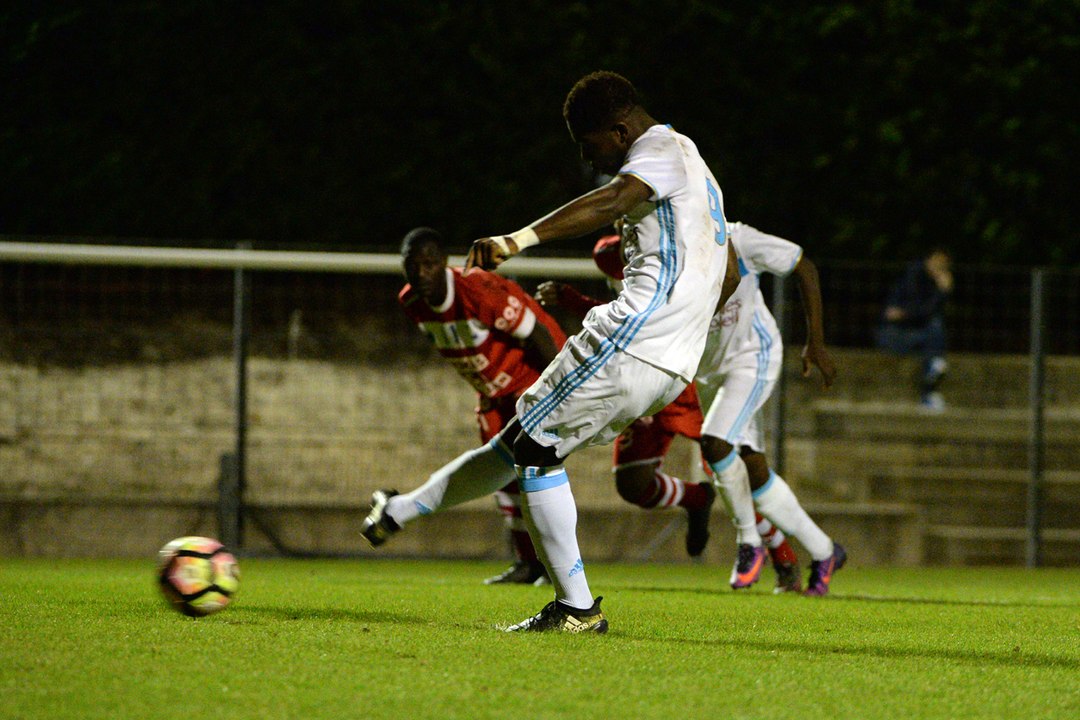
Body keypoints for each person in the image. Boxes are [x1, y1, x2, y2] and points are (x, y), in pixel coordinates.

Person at [365, 71, 730, 633]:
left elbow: (613, 199)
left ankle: (576, 609)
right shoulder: (699, 172)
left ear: (620, 127)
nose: (591, 158)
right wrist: (687, 324)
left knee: (534, 449)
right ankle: (402, 510)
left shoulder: (659, 149)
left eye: (591, 145)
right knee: (516, 447)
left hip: (632, 340)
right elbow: (725, 272)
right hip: (671, 362)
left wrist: (517, 240)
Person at [535, 235, 804, 593]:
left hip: (683, 378)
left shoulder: (683, 240)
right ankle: (696, 499)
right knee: (632, 483)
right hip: (640, 374)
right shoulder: (611, 250)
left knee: (724, 464)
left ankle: (782, 556)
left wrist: (574, 301)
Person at [396, 226, 566, 585]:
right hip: (492, 395)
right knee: (500, 479)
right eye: (414, 265)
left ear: (443, 263)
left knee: (534, 473)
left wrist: (557, 387)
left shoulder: (478, 289)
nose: (422, 273)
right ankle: (528, 563)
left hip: (528, 386)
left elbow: (536, 331)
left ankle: (558, 567)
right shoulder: (410, 301)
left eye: (429, 264)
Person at [694, 222, 845, 596]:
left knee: (714, 443)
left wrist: (816, 343)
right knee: (751, 464)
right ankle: (825, 551)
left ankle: (749, 542)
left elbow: (803, 267)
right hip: (709, 371)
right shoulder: (673, 243)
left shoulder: (737, 237)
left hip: (753, 355)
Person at [875, 248, 953, 411]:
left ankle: (930, 388)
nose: (939, 269)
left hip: (916, 335)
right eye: (937, 263)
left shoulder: (930, 284)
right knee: (934, 329)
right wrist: (941, 293)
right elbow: (915, 312)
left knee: (934, 332)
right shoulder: (913, 278)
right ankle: (929, 389)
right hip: (895, 335)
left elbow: (920, 313)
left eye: (943, 266)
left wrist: (905, 314)